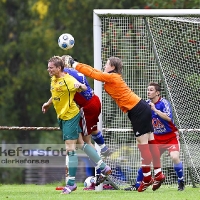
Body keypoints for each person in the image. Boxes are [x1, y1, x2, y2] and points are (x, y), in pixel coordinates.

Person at [67, 56, 165, 192]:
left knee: (143, 146)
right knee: (151, 141)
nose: (104, 66)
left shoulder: (113, 77)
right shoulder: (113, 77)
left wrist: (74, 64)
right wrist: (77, 64)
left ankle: (148, 179)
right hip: (140, 107)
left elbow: (93, 73)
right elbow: (94, 70)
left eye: (106, 64)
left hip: (137, 110)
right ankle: (158, 174)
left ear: (112, 67)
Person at [42, 56, 111, 194]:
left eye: (51, 67)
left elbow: (83, 86)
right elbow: (55, 93)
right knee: (81, 143)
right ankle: (103, 166)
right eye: (48, 67)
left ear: (59, 67)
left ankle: (71, 183)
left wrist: (79, 85)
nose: (48, 70)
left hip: (70, 116)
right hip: (62, 116)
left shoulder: (68, 78)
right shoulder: (54, 78)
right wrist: (48, 104)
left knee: (70, 149)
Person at [124, 82, 185, 191]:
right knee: (147, 159)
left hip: (170, 137)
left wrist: (155, 110)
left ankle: (181, 181)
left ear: (157, 93)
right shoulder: (146, 104)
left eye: (151, 90)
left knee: (175, 157)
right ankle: (137, 185)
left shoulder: (164, 103)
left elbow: (168, 118)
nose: (148, 92)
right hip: (156, 138)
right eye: (148, 90)